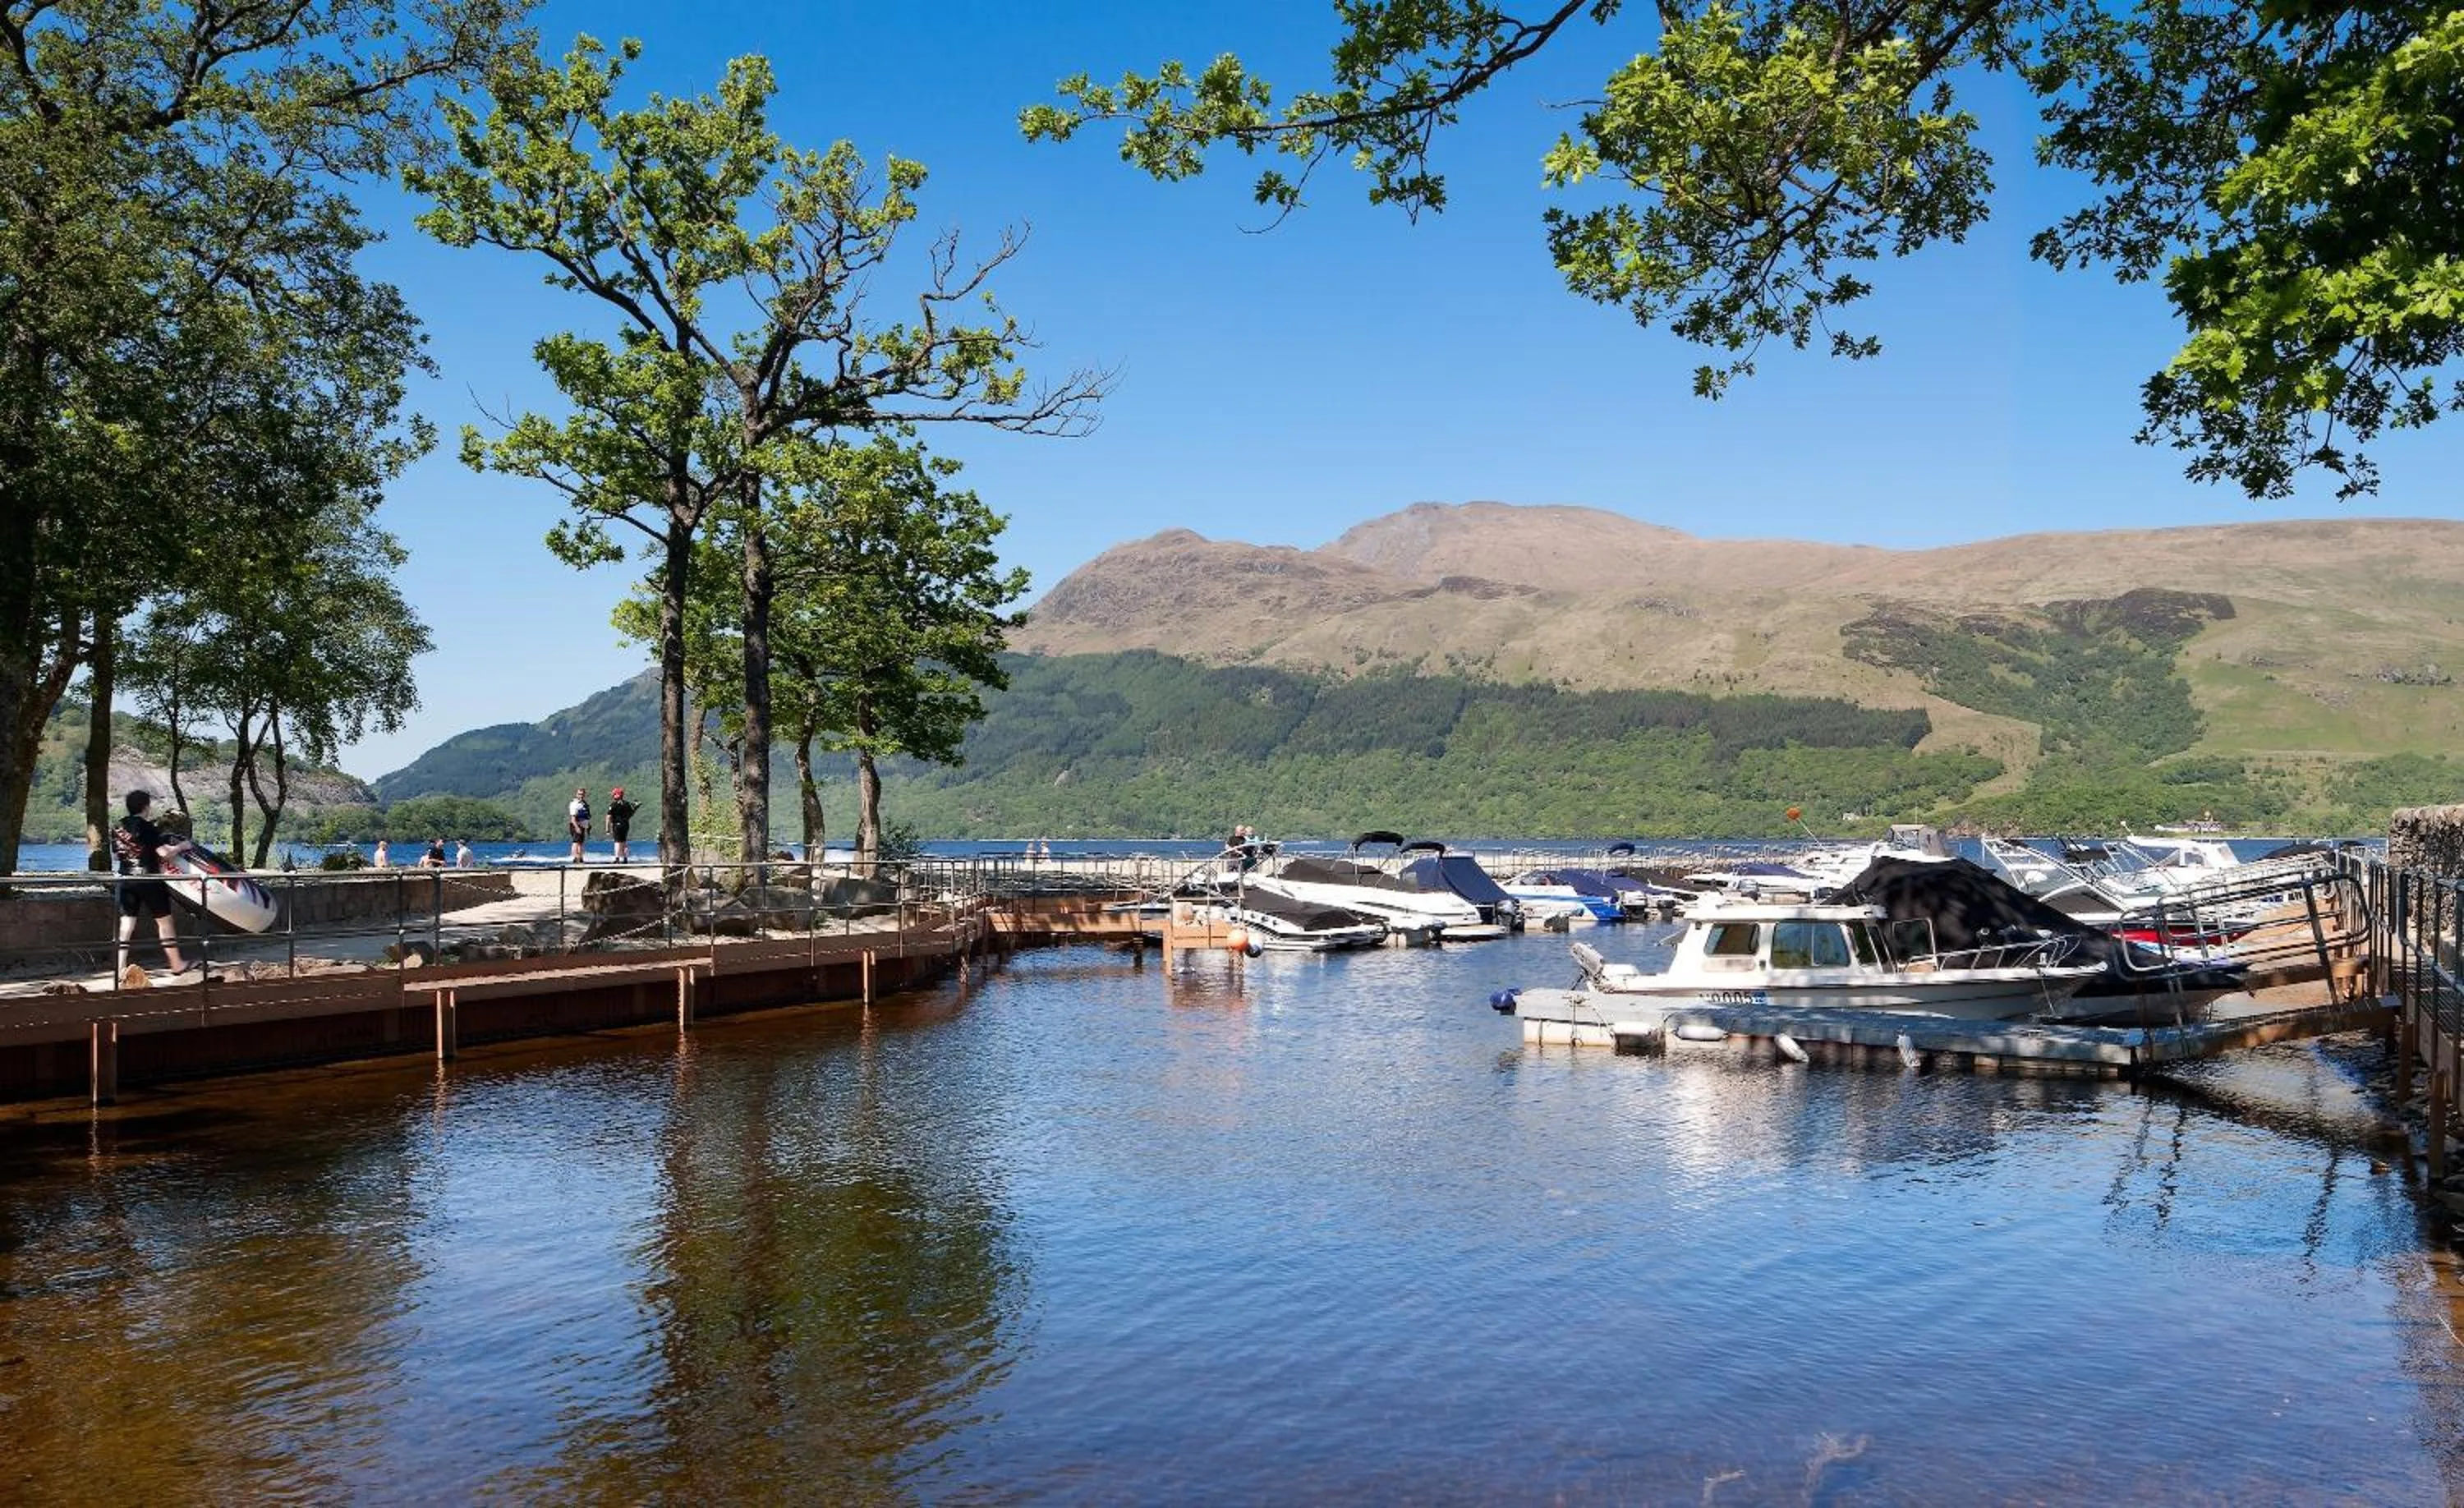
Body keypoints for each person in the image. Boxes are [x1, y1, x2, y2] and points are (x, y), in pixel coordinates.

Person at [110, 790, 193, 979]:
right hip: (149, 879)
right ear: (146, 807)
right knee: (164, 922)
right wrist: (182, 846)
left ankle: (120, 968)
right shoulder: (147, 827)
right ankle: (177, 964)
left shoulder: (117, 827)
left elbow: (116, 855)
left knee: (126, 925)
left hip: (126, 879)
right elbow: (164, 853)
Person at [605, 787, 638, 863]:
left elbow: (608, 816)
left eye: (614, 794)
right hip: (625, 824)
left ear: (617, 795)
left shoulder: (613, 805)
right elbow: (631, 814)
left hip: (617, 825)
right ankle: (625, 858)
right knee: (624, 841)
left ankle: (617, 858)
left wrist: (607, 828)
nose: (613, 796)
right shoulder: (627, 804)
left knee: (617, 842)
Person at [568, 787, 592, 863]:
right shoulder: (574, 804)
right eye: (579, 794)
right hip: (576, 824)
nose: (581, 796)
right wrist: (577, 827)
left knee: (581, 842)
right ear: (576, 794)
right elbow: (573, 818)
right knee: (576, 842)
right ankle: (575, 857)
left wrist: (588, 825)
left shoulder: (584, 804)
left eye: (582, 794)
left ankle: (581, 857)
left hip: (583, 825)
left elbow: (586, 816)